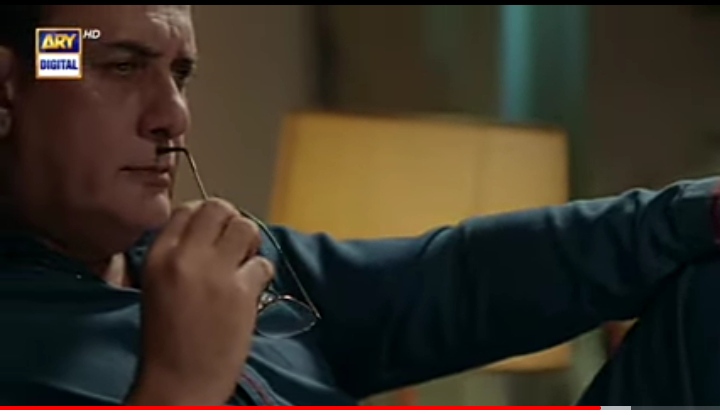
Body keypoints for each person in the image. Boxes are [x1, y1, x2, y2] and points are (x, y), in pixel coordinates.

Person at [0, 5, 717, 407]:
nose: (173, 117)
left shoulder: (230, 261)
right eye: (122, 66)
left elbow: (461, 277)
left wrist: (699, 211)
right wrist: (182, 383)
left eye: (180, 75)